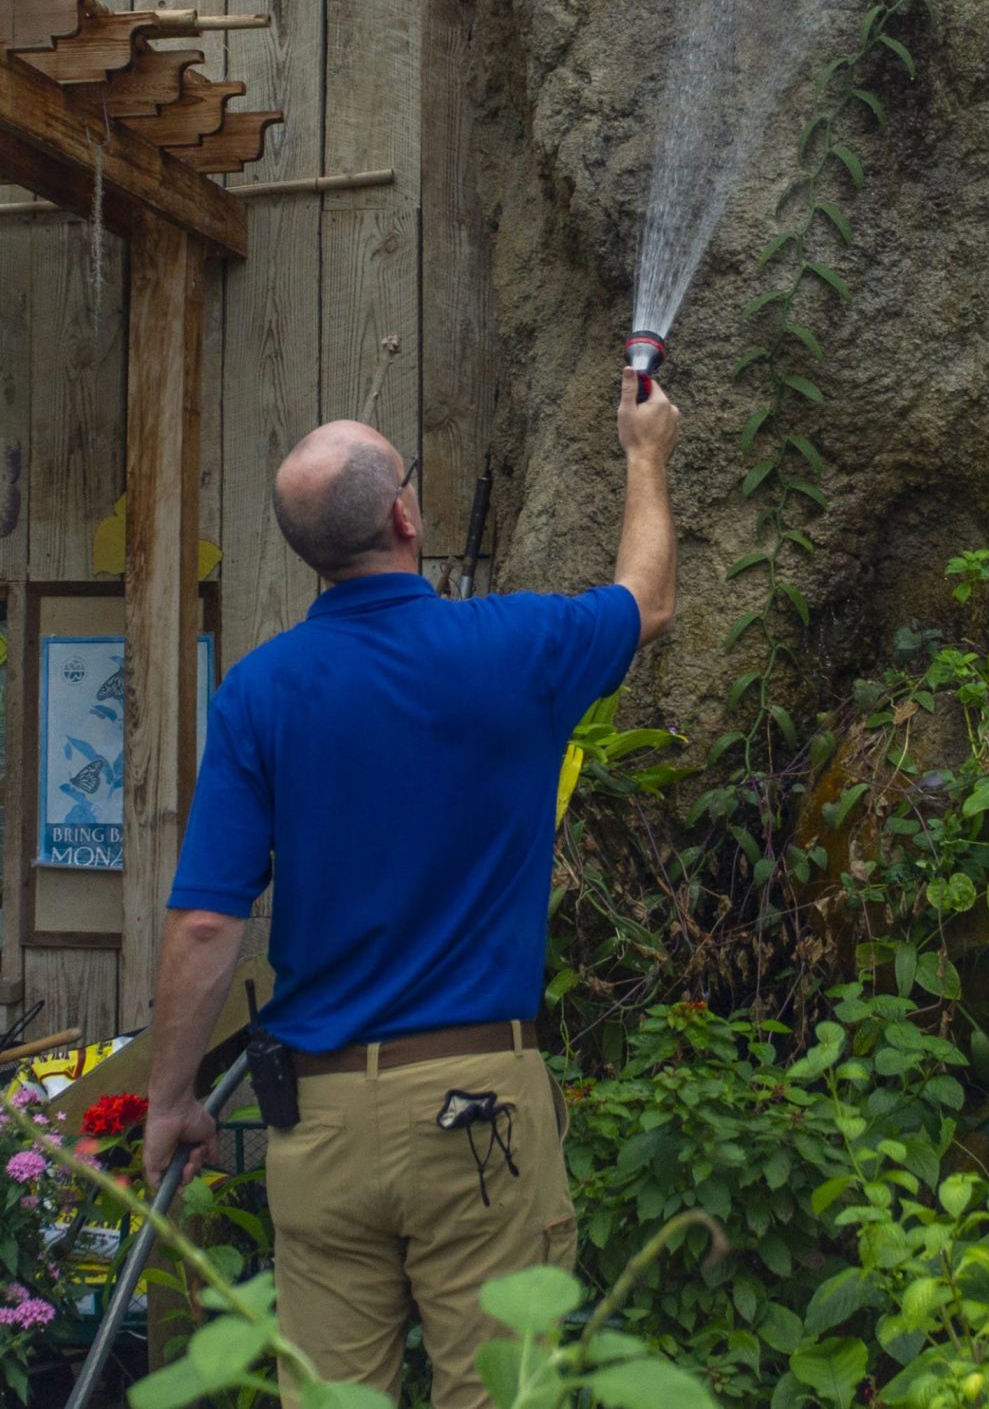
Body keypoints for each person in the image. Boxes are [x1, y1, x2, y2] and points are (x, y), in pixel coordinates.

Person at [143, 365, 679, 1409]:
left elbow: (208, 922)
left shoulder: (257, 692)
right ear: (403, 511)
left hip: (321, 1126)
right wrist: (645, 454)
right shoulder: (511, 647)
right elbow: (647, 597)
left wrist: (169, 1099)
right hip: (478, 1111)